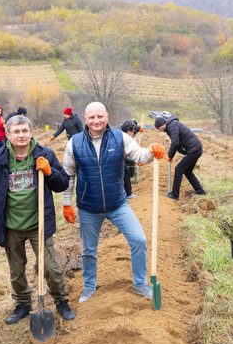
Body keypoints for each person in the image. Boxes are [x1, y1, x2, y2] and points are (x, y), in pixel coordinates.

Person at [62, 102, 165, 303]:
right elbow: (69, 175)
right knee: (89, 250)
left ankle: (140, 283)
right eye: (92, 117)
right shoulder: (73, 143)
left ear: (107, 117)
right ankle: (89, 286)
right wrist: (66, 203)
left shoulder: (121, 138)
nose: (96, 121)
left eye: (100, 116)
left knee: (139, 240)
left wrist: (152, 150)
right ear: (85, 119)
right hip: (88, 207)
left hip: (118, 204)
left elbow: (140, 156)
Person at [0, 115, 75, 324]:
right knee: (16, 270)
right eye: (16, 132)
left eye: (25, 131)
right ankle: (23, 303)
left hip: (39, 224)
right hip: (11, 225)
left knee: (50, 266)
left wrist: (50, 171)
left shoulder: (45, 154)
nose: (21, 135)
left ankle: (61, 300)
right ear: (7, 135)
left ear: (31, 132)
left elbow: (62, 184)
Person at [154, 113, 205, 201]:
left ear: (162, 125)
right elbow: (178, 143)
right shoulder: (171, 126)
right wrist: (183, 151)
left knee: (179, 169)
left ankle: (174, 194)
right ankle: (200, 192)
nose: (160, 130)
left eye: (159, 128)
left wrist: (170, 155)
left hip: (194, 150)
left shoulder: (172, 126)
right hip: (195, 149)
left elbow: (175, 142)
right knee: (187, 171)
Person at [116, 119, 145, 199]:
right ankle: (124, 195)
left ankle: (127, 194)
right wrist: (134, 162)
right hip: (112, 159)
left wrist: (139, 129)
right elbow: (122, 157)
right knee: (122, 173)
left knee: (125, 172)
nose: (134, 136)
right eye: (134, 134)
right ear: (128, 132)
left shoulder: (127, 126)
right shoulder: (119, 137)